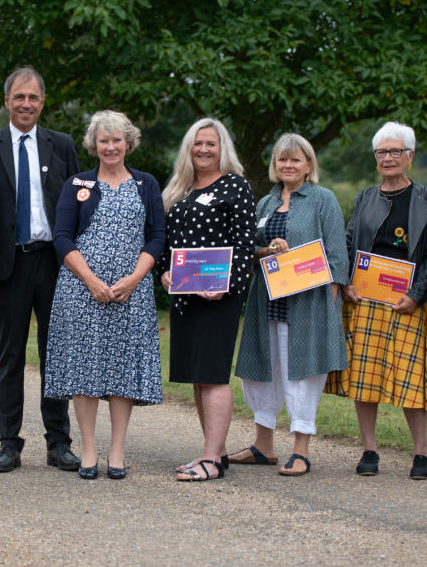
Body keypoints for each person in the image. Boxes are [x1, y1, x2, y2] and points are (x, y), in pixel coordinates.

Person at [0, 66, 82, 473]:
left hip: (55, 263)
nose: (26, 104)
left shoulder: (62, 145)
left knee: (57, 354)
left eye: (33, 97)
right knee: (10, 355)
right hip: (10, 263)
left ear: (43, 102)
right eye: (19, 97)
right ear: (6, 101)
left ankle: (58, 442)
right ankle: (8, 443)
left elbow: (80, 205)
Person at [44, 111, 165, 479]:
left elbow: (158, 236)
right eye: (103, 140)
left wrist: (133, 279)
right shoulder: (76, 183)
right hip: (82, 291)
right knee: (84, 368)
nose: (110, 146)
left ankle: (116, 451)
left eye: (117, 140)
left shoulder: (146, 184)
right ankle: (89, 450)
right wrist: (91, 280)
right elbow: (62, 236)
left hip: (132, 291)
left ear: (129, 143)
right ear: (93, 145)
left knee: (122, 368)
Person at [324, 121, 427, 479]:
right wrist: (345, 283)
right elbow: (347, 244)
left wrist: (416, 295)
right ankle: (369, 450)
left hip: (406, 300)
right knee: (365, 376)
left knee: (411, 378)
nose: (388, 158)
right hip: (364, 298)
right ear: (375, 158)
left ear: (410, 156)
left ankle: (421, 454)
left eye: (395, 152)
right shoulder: (364, 197)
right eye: (382, 152)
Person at [233, 133, 348, 476]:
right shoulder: (264, 205)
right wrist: (266, 251)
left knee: (301, 374)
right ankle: (263, 445)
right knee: (263, 371)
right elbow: (248, 250)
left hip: (306, 303)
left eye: (295, 159)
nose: (288, 165)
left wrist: (329, 303)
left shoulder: (322, 200)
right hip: (267, 301)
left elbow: (336, 256)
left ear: (308, 165)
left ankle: (301, 449)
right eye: (282, 159)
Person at [157, 119, 256, 482]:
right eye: (197, 143)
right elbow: (167, 242)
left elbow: (245, 243)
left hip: (218, 297)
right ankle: (209, 452)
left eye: (211, 144)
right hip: (185, 296)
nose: (203, 149)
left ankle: (212, 460)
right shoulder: (179, 189)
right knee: (199, 377)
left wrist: (228, 285)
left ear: (222, 148)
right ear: (189, 147)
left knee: (213, 376)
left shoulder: (236, 186)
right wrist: (164, 272)